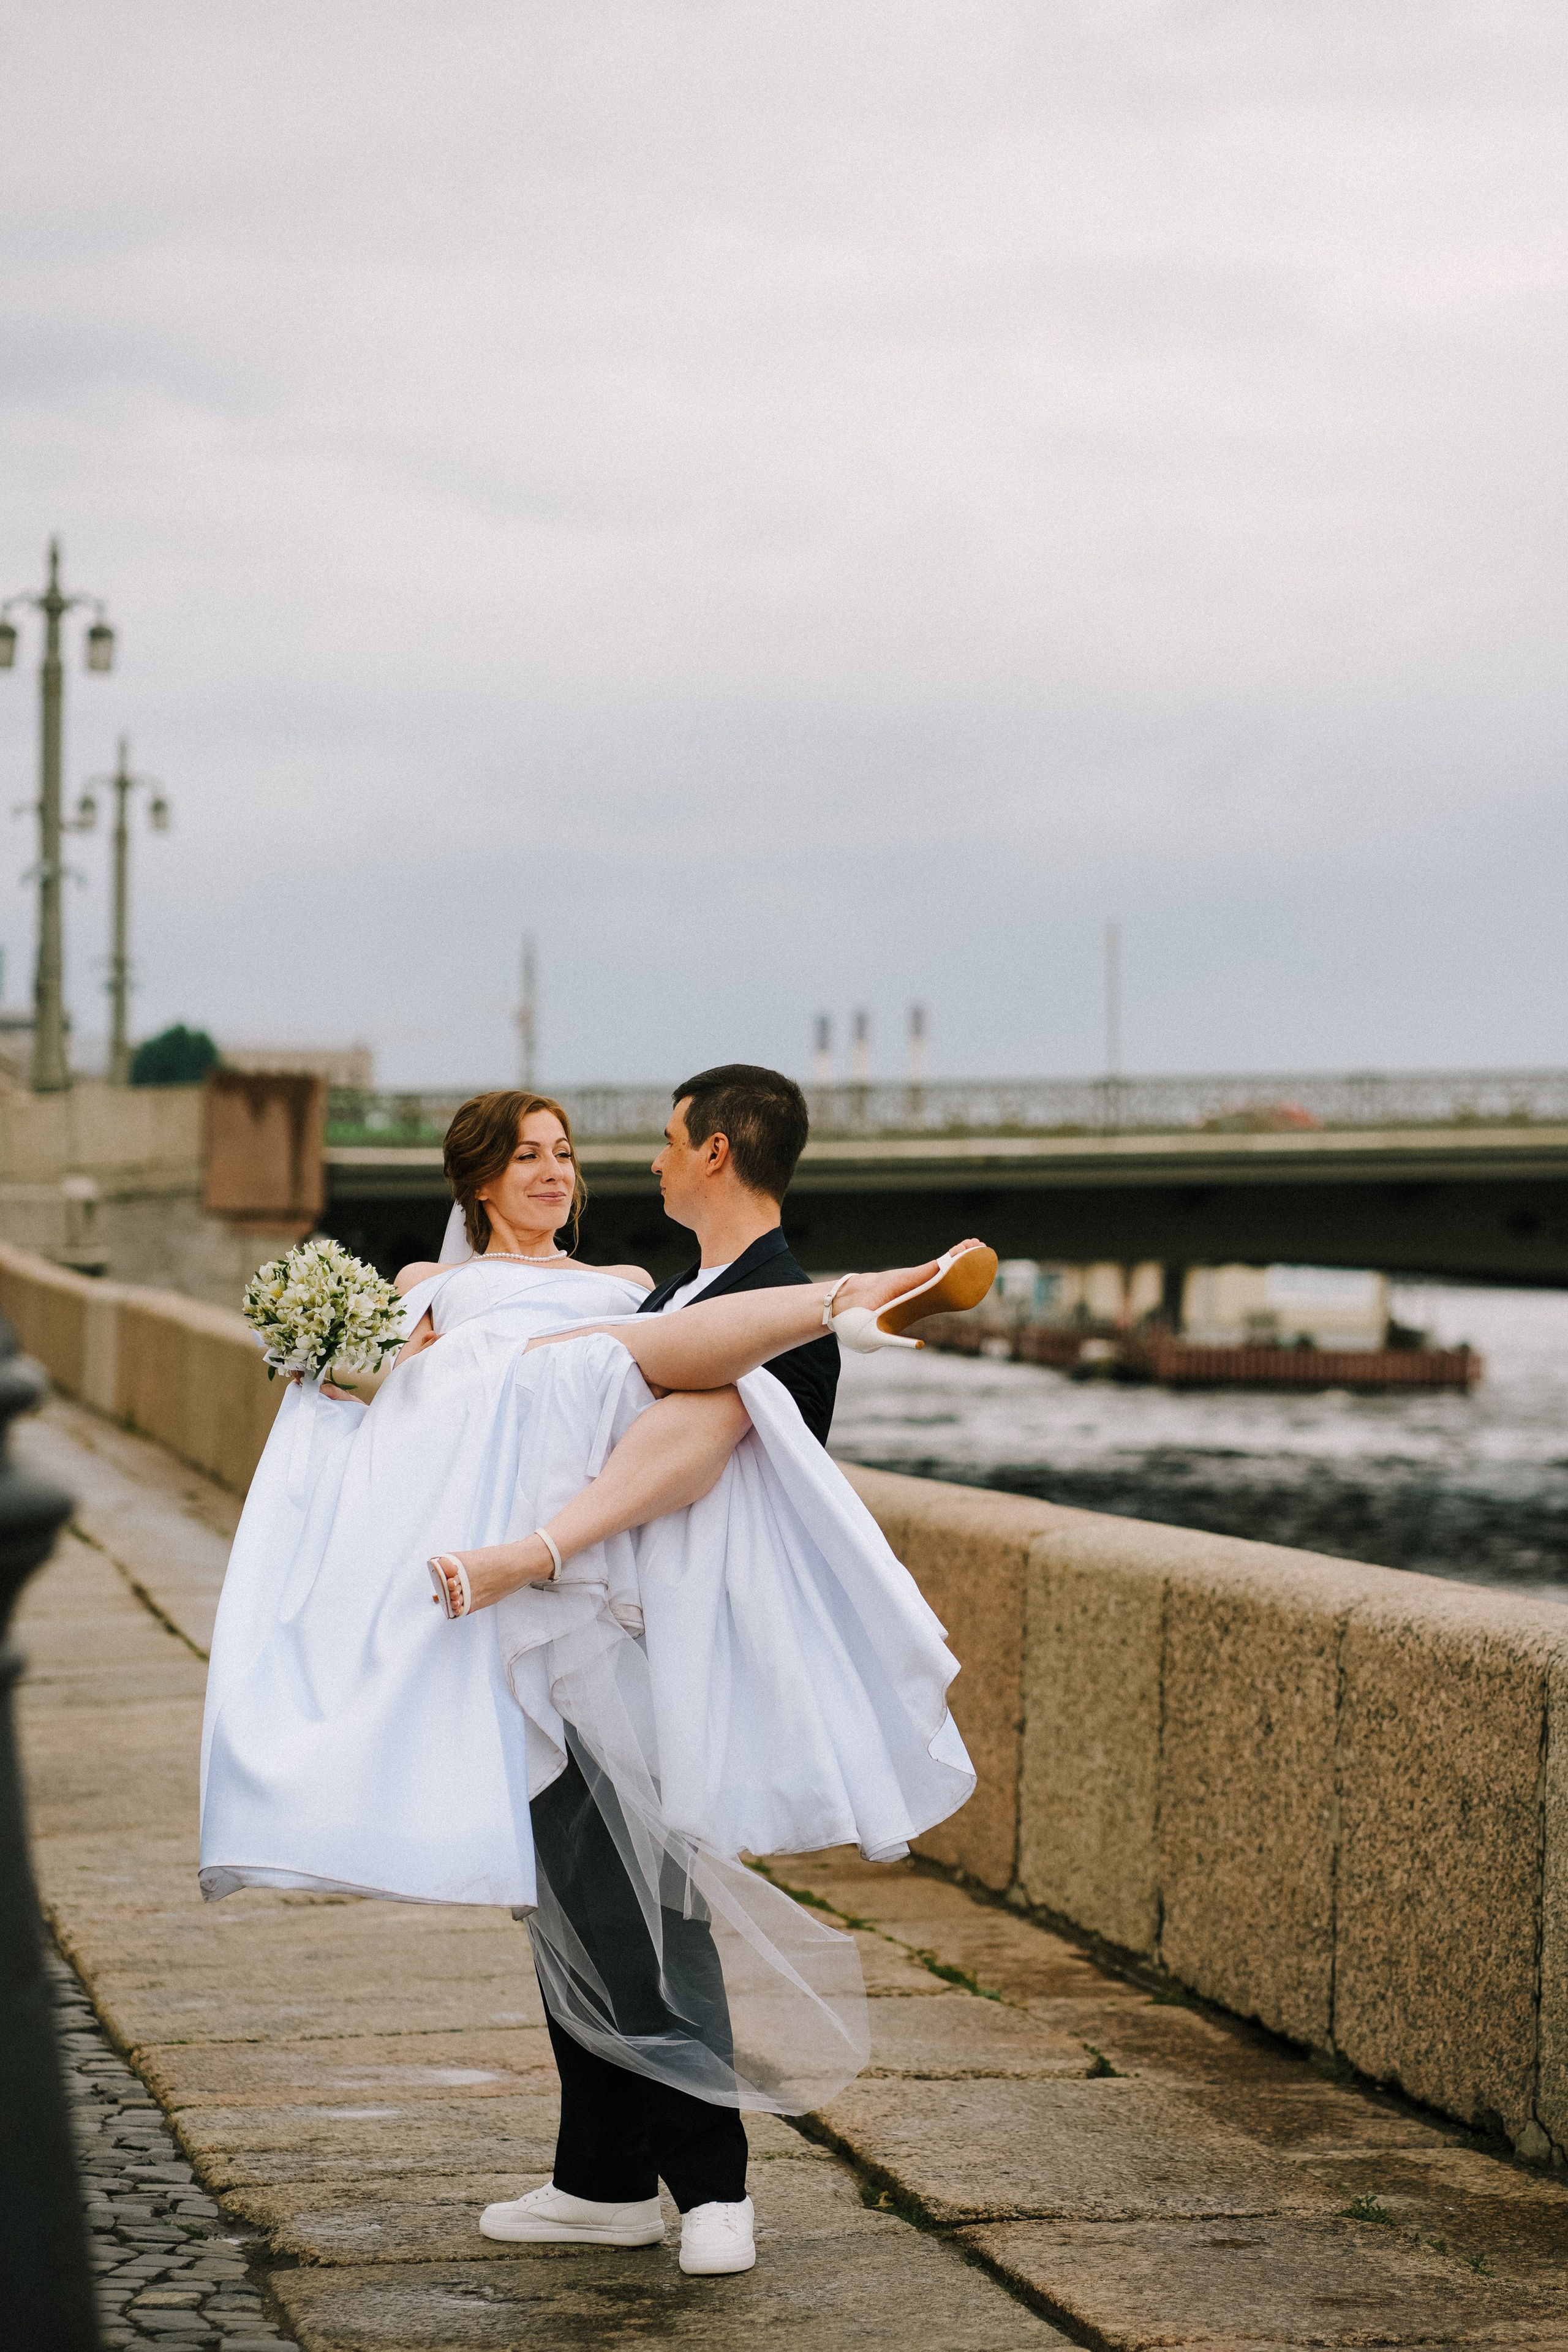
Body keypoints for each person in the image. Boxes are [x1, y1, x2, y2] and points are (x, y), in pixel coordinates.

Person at [198, 1088, 994, 2279]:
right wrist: (342, 1370)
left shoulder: (629, 1283)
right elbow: (373, 1431)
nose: (554, 1173)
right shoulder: (425, 1285)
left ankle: (711, 2181)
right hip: (487, 1616)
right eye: (527, 1157)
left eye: (565, 1154)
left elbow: (679, 1407)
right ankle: (603, 2180)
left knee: (639, 1892)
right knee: (571, 1897)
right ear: (477, 1179)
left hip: (597, 1603)